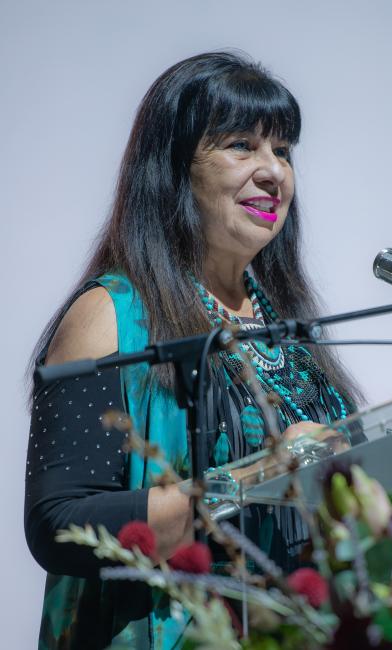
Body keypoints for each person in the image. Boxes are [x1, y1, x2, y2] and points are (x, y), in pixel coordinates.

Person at [25, 51, 362, 649]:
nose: (273, 172)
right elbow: (60, 526)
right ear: (175, 167)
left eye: (283, 151)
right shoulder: (110, 317)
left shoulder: (290, 331)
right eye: (240, 145)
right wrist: (257, 478)